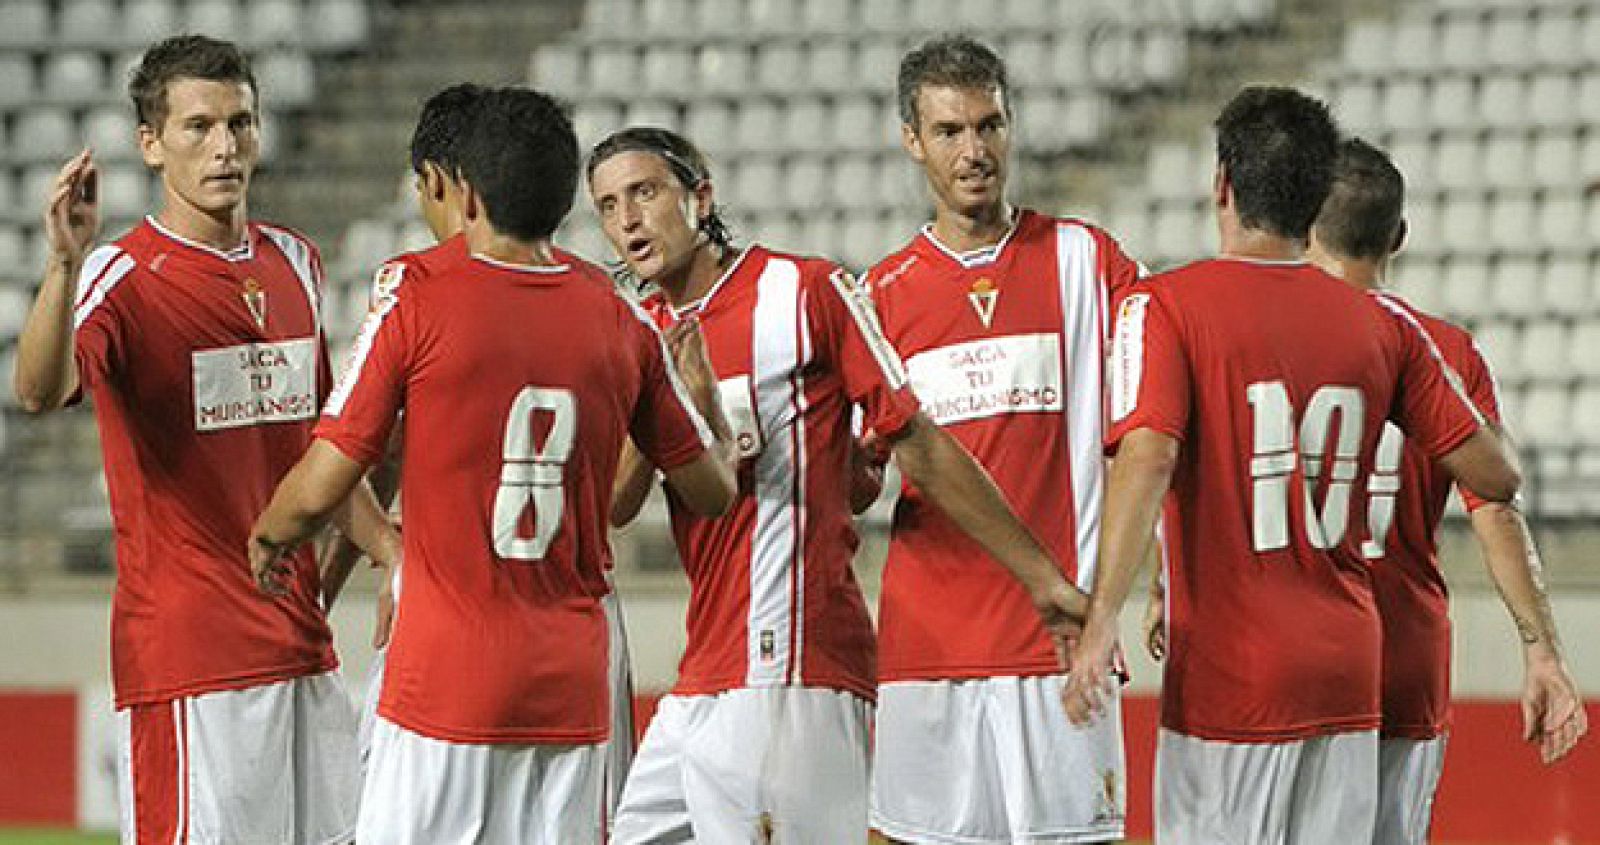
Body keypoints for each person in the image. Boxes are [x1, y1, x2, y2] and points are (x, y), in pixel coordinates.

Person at [249, 87, 737, 844]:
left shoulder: (419, 296)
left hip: (445, 680)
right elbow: (712, 490)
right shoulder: (623, 317)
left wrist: (269, 533)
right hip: (571, 689)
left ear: (467, 192)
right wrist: (707, 409)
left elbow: (322, 482)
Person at [588, 126, 1089, 843]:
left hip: (793, 659)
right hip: (703, 670)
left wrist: (1041, 577)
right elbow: (614, 502)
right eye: (608, 205)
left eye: (645, 192)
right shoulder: (639, 332)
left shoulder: (805, 292)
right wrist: (670, 404)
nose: (628, 219)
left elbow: (911, 438)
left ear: (700, 196)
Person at [1063, 86, 1524, 845]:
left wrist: (1102, 615)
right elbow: (1497, 475)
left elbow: (1147, 455)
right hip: (1348, 669)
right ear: (1313, 200)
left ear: (1222, 184)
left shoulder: (1162, 305)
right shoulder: (1385, 326)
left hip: (1231, 680)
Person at [11, 35, 395, 843]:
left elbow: (317, 454)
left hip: (304, 649)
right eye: (198, 127)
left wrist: (397, 556)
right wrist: (62, 265)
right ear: (151, 144)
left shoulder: (297, 261)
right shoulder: (121, 276)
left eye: (239, 123)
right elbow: (39, 391)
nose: (225, 146)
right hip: (190, 662)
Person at [862, 36, 1141, 845]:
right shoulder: (879, 294)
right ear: (912, 141)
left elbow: (1154, 433)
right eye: (949, 131)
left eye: (989, 125)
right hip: (929, 647)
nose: (974, 151)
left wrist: (1159, 576)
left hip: (1062, 643)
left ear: (1012, 126)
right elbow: (856, 484)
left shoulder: (1087, 260)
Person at [1304, 138, 1587, 843]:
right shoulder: (1447, 353)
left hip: (1292, 659)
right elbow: (1495, 507)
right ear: (1399, 235)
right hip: (1404, 658)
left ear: (1304, 219)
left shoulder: (1269, 337)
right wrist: (1542, 648)